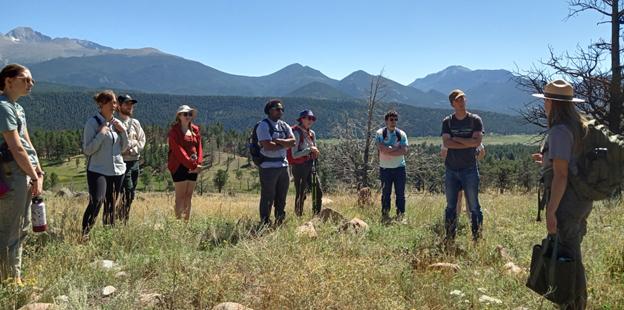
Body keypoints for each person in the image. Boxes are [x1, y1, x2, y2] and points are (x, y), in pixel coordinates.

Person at [532, 80, 591, 309]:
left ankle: (573, 303)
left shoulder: (558, 130)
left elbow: (561, 175)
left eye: (546, 100)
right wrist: (546, 160)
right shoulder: (579, 127)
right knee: (572, 251)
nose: (544, 104)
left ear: (552, 103)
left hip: (566, 201)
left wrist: (551, 210)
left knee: (568, 256)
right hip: (580, 200)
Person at [0, 64, 44, 285]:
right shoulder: (3, 107)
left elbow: (27, 144)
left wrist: (38, 170)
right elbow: (16, 148)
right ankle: (9, 281)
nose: (30, 84)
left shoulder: (17, 108)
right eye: (25, 79)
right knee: (11, 228)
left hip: (24, 172)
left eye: (32, 80)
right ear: (8, 81)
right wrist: (34, 176)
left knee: (22, 225)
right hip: (12, 174)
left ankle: (14, 276)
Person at [82, 90, 128, 236]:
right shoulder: (93, 123)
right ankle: (85, 234)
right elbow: (88, 150)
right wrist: (101, 134)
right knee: (97, 201)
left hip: (117, 170)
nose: (114, 106)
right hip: (98, 170)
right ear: (102, 104)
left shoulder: (117, 123)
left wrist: (123, 132)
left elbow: (124, 148)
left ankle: (109, 236)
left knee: (111, 204)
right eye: (111, 102)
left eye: (115, 103)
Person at [441, 89, 484, 242]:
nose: (462, 101)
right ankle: (450, 238)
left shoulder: (475, 120)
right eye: (458, 100)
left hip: (469, 169)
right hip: (451, 169)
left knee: (474, 206)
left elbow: (477, 142)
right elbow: (446, 143)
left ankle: (477, 238)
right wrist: (468, 142)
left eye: (463, 98)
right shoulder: (448, 121)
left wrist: (456, 139)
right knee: (451, 206)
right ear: (453, 103)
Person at [256, 99, 294, 226]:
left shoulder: (284, 125)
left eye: (282, 109)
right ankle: (265, 223)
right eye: (277, 109)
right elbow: (267, 145)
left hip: (284, 166)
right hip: (268, 167)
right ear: (269, 110)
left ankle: (279, 221)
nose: (280, 112)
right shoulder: (263, 125)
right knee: (268, 196)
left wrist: (277, 141)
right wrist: (284, 143)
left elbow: (293, 141)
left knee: (282, 197)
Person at [167, 105, 203, 221]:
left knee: (188, 196)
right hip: (179, 167)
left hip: (194, 167)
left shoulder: (195, 130)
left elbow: (199, 148)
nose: (188, 116)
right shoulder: (174, 132)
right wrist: (192, 165)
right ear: (179, 116)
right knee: (180, 197)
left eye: (190, 114)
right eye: (185, 114)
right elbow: (178, 151)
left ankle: (186, 223)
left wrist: (198, 163)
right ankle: (178, 224)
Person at [116, 94, 145, 224]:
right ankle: (122, 219)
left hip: (135, 162)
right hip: (122, 163)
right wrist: (125, 148)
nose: (130, 106)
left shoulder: (135, 123)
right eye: (127, 104)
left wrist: (132, 149)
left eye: (131, 104)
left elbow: (142, 140)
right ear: (119, 106)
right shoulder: (115, 123)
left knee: (131, 193)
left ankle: (121, 216)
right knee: (127, 191)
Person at [376, 110, 409, 224]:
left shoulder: (401, 134)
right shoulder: (380, 133)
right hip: (385, 168)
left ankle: (401, 215)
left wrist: (389, 150)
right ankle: (385, 215)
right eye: (391, 119)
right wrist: (396, 149)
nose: (393, 122)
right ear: (386, 121)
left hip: (399, 167)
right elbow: (381, 148)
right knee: (386, 193)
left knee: (400, 193)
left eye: (395, 119)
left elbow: (404, 151)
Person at [288, 110, 322, 216]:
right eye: (308, 118)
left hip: (310, 165)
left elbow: (314, 148)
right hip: (299, 167)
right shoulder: (296, 133)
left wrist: (314, 152)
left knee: (318, 191)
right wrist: (309, 150)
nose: (310, 121)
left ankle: (316, 215)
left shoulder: (312, 133)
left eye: (312, 119)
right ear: (302, 119)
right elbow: (294, 154)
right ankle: (298, 215)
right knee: (301, 193)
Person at [441, 143, 486, 217]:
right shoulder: (470, 136)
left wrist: (450, 163)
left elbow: (443, 153)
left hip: (455, 170)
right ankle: (470, 221)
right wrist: (475, 161)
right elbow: (482, 152)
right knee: (468, 198)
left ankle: (457, 220)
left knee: (459, 198)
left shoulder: (451, 136)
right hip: (468, 171)